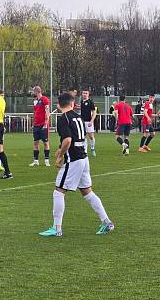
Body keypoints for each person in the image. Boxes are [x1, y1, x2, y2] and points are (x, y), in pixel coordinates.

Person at [39, 92, 114, 237]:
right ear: (72, 103)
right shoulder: (78, 117)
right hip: (83, 158)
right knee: (87, 192)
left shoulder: (63, 118)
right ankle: (106, 221)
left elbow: (67, 140)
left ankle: (56, 228)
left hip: (73, 160)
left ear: (59, 105)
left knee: (59, 191)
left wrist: (60, 155)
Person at [29, 86, 51, 167]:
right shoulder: (35, 101)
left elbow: (47, 110)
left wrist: (46, 122)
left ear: (36, 91)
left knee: (45, 142)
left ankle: (46, 160)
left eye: (33, 92)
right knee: (35, 142)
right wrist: (33, 123)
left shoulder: (44, 99)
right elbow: (34, 112)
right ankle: (36, 161)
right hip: (36, 125)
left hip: (43, 124)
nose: (32, 93)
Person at [80, 90, 97, 157]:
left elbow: (94, 112)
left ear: (88, 94)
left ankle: (92, 149)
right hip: (82, 121)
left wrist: (91, 121)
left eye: (86, 93)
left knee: (91, 137)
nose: (84, 94)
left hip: (89, 122)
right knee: (83, 137)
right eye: (83, 93)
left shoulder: (90, 102)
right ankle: (85, 151)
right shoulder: (81, 101)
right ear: (82, 94)